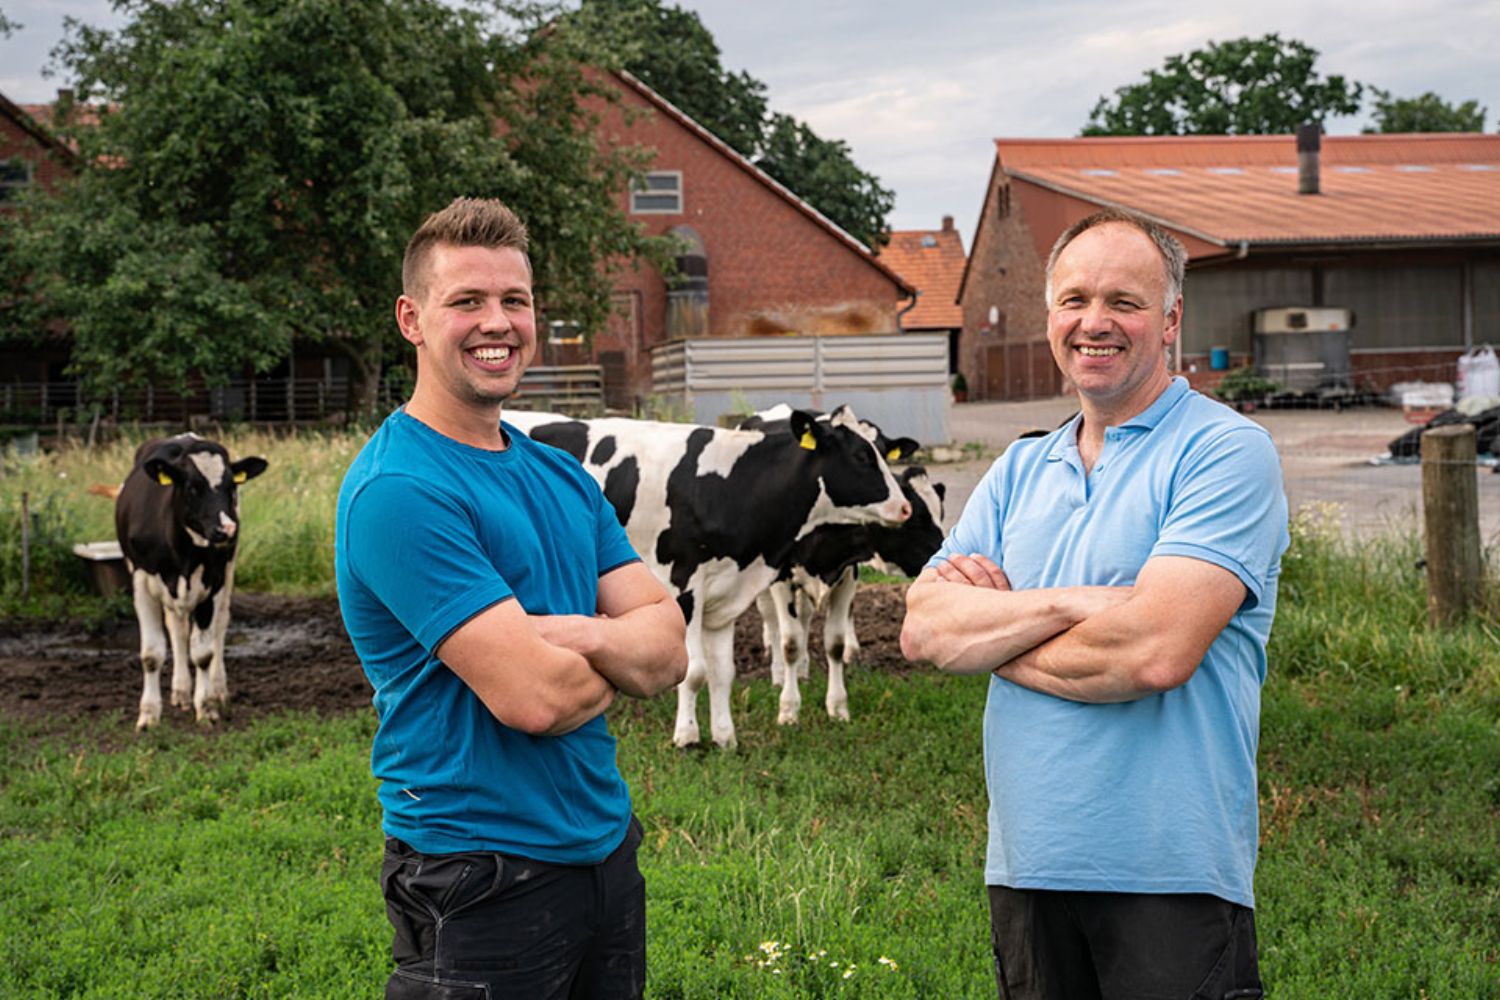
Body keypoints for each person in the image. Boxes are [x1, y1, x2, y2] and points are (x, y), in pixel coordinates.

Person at [901, 208, 1288, 1000]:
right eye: (1074, 299)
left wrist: (998, 635)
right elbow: (922, 628)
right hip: (1028, 865)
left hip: (1170, 874)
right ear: (1050, 317)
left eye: (1125, 301)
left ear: (1172, 318)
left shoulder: (1223, 452)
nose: (1095, 323)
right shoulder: (1018, 468)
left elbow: (1153, 652)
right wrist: (1082, 604)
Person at [336, 197, 688, 999]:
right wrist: (614, 643)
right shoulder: (402, 489)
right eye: (466, 301)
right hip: (476, 878)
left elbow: (670, 647)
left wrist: (573, 636)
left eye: (514, 301)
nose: (496, 322)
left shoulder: (559, 473)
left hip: (604, 854)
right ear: (412, 319)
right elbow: (533, 698)